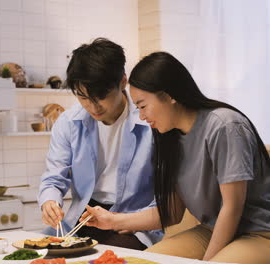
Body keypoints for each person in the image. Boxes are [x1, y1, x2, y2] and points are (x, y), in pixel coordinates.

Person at [81, 51, 270, 263]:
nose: (141, 116)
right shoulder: (170, 138)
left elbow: (232, 207)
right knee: (139, 262)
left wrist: (205, 261)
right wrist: (112, 221)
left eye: (143, 106)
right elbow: (171, 212)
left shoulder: (224, 126)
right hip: (210, 230)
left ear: (169, 95)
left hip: (259, 233)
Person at [38, 38, 163, 250]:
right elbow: (54, 177)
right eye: (83, 97)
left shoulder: (150, 120)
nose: (92, 106)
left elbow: (164, 193)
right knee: (40, 253)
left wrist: (135, 222)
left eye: (101, 96)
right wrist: (49, 202)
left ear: (123, 82)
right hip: (84, 216)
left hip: (131, 222)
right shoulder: (69, 123)